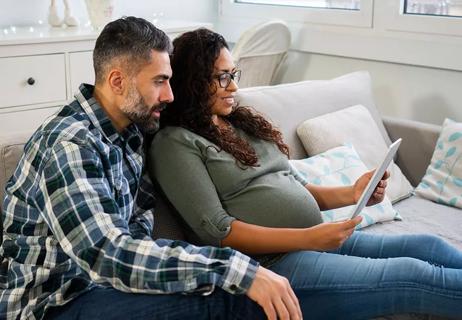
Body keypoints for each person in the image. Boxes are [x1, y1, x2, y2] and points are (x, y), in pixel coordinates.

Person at [0, 17, 303, 320]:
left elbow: (138, 238)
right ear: (117, 81)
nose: (170, 95)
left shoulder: (131, 134)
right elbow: (107, 254)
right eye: (159, 81)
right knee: (237, 299)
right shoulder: (69, 146)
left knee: (227, 290)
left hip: (104, 287)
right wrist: (235, 268)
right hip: (53, 301)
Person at [151, 28, 462, 319]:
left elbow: (297, 185)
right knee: (412, 275)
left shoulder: (240, 123)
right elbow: (218, 233)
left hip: (312, 240)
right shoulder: (175, 142)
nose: (233, 86)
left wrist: (353, 194)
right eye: (221, 78)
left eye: (233, 75)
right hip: (271, 266)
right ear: (193, 80)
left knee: (426, 247)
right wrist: (309, 237)